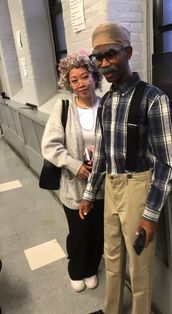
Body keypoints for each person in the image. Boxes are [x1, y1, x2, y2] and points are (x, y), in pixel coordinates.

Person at [79, 22, 172, 314]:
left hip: (138, 188)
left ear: (128, 52)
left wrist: (150, 214)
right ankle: (111, 310)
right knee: (110, 257)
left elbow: (167, 162)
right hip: (111, 186)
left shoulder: (153, 98)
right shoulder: (106, 101)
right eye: (98, 57)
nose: (104, 63)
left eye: (111, 54)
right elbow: (101, 155)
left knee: (139, 266)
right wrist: (88, 193)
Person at [41, 52, 104, 292]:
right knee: (78, 233)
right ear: (68, 84)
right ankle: (77, 269)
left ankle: (91, 268)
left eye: (85, 77)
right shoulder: (64, 106)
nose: (81, 84)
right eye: (74, 80)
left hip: (101, 185)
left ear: (93, 76)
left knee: (97, 233)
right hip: (74, 186)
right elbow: (50, 145)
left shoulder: (106, 105)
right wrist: (74, 165)